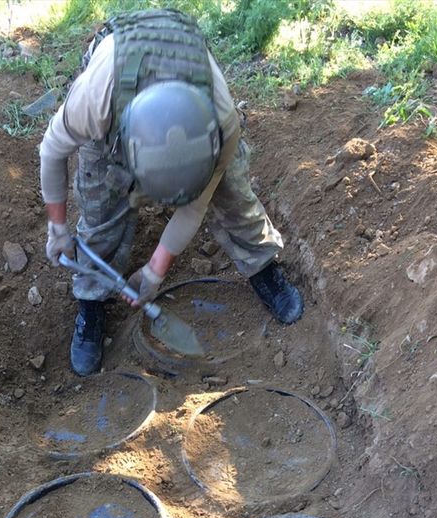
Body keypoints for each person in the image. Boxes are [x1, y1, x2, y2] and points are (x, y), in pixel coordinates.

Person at [39, 7, 304, 376]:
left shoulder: (221, 123)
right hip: (119, 80)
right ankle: (91, 303)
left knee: (232, 197)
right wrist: (58, 228)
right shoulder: (94, 102)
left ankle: (261, 267)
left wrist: (154, 273)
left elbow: (194, 208)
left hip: (187, 85)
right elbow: (51, 150)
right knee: (102, 211)